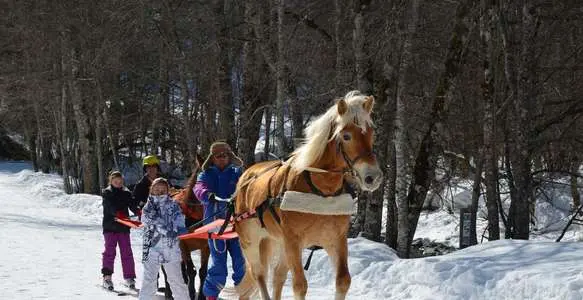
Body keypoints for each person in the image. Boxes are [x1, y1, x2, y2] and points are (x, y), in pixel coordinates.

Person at [193, 142, 246, 300]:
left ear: (230, 156)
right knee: (218, 265)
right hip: (215, 226)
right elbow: (198, 187)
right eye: (219, 156)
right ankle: (211, 297)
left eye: (225, 155)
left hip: (236, 225)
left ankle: (244, 294)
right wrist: (206, 194)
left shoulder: (237, 172)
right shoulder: (207, 174)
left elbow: (247, 185)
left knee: (241, 262)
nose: (222, 158)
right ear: (213, 158)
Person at [139, 177, 189, 300]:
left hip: (170, 248)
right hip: (151, 247)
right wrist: (167, 230)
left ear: (168, 191)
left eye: (163, 189)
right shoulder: (148, 207)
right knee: (149, 281)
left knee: (176, 281)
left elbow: (179, 219)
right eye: (157, 189)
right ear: (151, 190)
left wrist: (180, 228)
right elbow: (150, 221)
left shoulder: (174, 205)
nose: (160, 192)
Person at [101, 171, 140, 290]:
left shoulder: (126, 193)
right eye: (115, 181)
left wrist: (138, 211)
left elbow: (132, 204)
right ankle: (107, 277)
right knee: (109, 252)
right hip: (110, 227)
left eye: (120, 182)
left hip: (123, 227)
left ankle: (129, 277)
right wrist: (116, 213)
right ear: (111, 181)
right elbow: (109, 206)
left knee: (126, 252)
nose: (118, 184)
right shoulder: (107, 193)